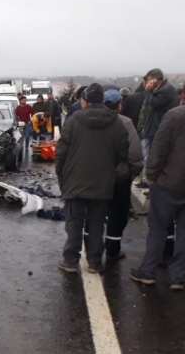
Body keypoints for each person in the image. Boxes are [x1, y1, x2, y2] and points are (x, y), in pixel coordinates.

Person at [56, 83, 129, 274]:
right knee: (97, 223)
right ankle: (95, 262)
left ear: (85, 101)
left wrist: (61, 176)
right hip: (103, 180)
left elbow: (61, 152)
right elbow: (123, 153)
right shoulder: (116, 122)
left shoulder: (73, 121)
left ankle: (71, 260)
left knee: (74, 222)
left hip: (74, 179)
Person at [131, 81, 185, 290]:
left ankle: (148, 272)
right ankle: (178, 277)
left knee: (158, 229)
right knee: (184, 232)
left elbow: (159, 149)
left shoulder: (175, 116)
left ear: (184, 95)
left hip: (168, 182)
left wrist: (152, 176)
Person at [102, 90, 143, 260]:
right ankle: (112, 250)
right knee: (118, 216)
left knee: (96, 214)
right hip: (120, 178)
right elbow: (134, 152)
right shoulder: (125, 123)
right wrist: (134, 172)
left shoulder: (92, 121)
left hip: (96, 177)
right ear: (119, 104)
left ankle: (93, 252)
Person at [135, 69, 179, 189]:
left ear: (155, 79)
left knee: (152, 156)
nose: (147, 83)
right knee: (149, 155)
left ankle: (151, 183)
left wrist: (148, 91)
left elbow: (154, 103)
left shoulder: (166, 90)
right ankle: (148, 181)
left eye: (149, 80)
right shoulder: (163, 89)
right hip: (154, 127)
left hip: (158, 128)